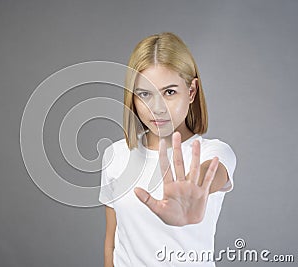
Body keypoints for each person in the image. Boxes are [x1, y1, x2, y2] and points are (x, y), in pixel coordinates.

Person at [98, 32, 237, 266]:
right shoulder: (116, 155)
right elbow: (111, 243)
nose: (157, 108)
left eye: (169, 92)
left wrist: (192, 194)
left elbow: (209, 174)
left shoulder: (215, 153)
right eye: (144, 94)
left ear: (191, 91)